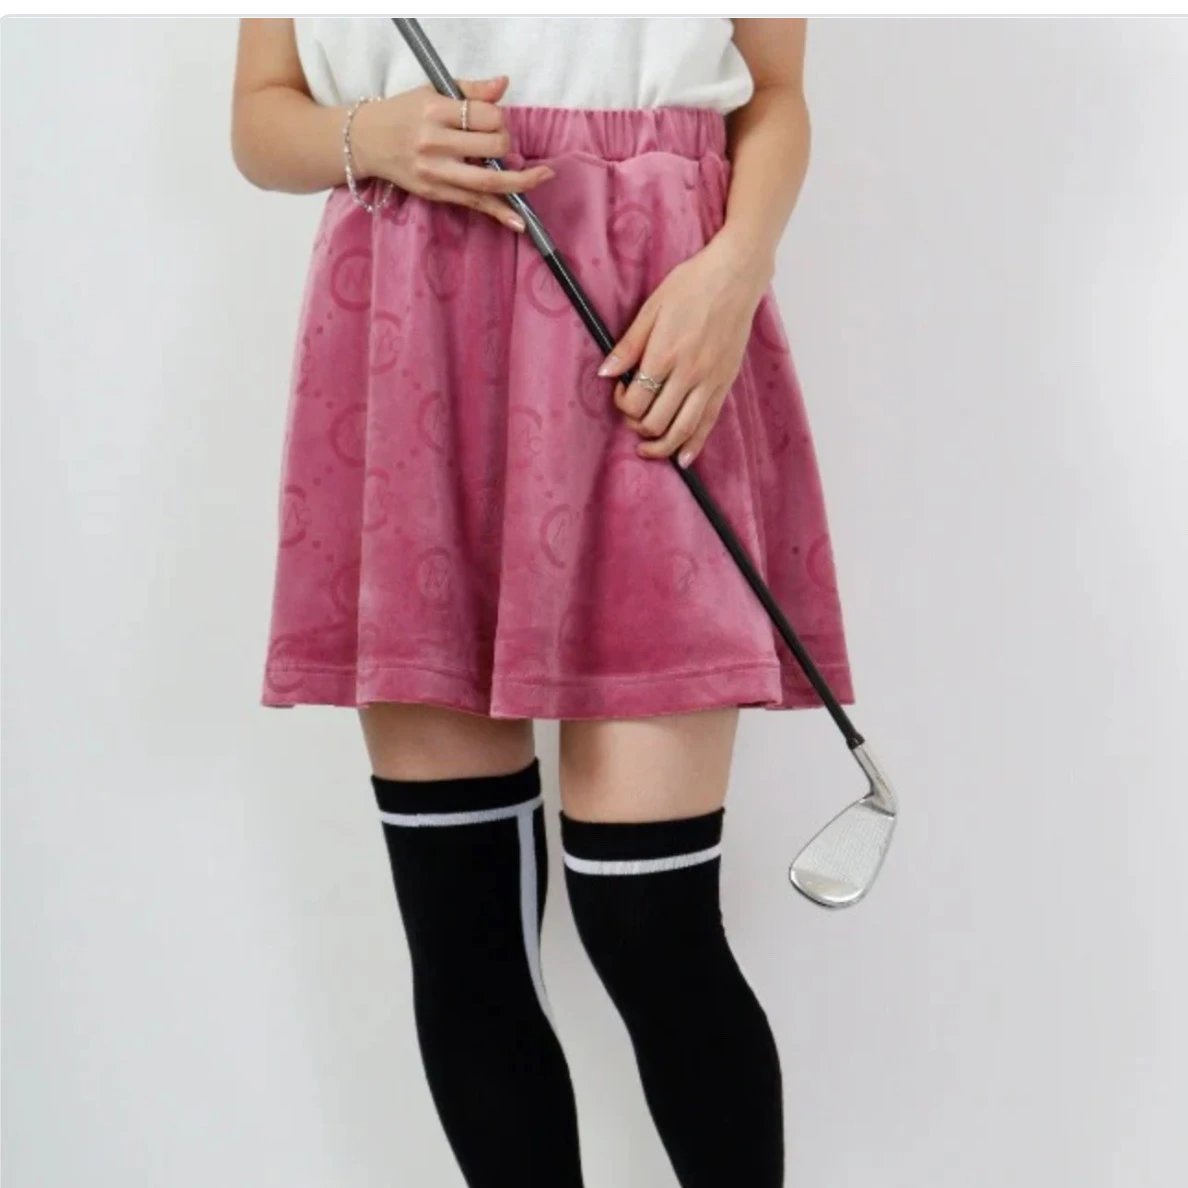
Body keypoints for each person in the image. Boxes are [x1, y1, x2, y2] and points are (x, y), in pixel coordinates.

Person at [232, 16, 856, 1186]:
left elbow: (775, 91)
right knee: (465, 935)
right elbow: (260, 117)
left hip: (653, 325)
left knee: (648, 926)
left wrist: (737, 269)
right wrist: (372, 135)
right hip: (414, 330)